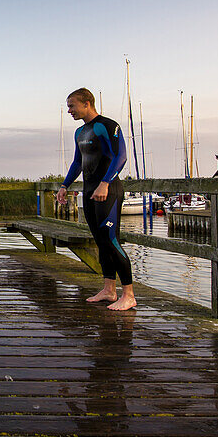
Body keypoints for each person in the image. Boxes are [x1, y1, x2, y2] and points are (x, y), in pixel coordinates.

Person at [55, 88, 136, 311]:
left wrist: (105, 183)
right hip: (90, 191)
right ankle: (109, 290)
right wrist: (64, 186)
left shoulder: (107, 125)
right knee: (100, 242)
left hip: (108, 190)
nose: (69, 110)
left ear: (87, 103)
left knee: (111, 240)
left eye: (72, 105)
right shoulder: (80, 133)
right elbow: (77, 163)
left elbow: (120, 156)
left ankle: (128, 294)